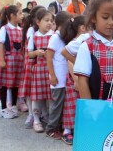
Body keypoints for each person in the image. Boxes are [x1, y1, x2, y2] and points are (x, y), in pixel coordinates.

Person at [73, 0, 113, 101]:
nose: (111, 22)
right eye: (105, 17)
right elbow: (82, 81)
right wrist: (90, 109)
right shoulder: (87, 46)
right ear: (93, 18)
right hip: (97, 108)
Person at [59, 15, 87, 145]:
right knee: (71, 105)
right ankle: (67, 130)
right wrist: (76, 79)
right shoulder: (76, 43)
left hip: (82, 78)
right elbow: (70, 62)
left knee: (79, 104)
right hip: (74, 79)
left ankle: (77, 129)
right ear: (82, 28)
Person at [45, 11, 71, 141]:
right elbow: (49, 57)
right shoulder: (55, 38)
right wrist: (52, 75)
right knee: (56, 104)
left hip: (64, 78)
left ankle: (58, 126)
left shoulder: (63, 37)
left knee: (62, 104)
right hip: (57, 78)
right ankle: (51, 128)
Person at [19, 6, 46, 128]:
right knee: (31, 91)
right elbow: (31, 49)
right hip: (32, 63)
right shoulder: (32, 31)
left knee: (38, 91)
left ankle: (40, 114)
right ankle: (31, 114)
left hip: (39, 63)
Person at [27, 9, 54, 132]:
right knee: (37, 96)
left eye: (51, 21)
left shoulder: (53, 35)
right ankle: (36, 119)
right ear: (38, 22)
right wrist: (37, 52)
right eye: (46, 20)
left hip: (51, 69)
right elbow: (29, 54)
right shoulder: (33, 37)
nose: (49, 23)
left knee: (50, 95)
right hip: (39, 70)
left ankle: (47, 116)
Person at [0, 5, 24, 119]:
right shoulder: (4, 29)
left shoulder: (20, 30)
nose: (22, 16)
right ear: (12, 16)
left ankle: (12, 106)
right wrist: (2, 60)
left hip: (18, 61)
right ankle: (3, 108)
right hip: (8, 60)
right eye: (20, 13)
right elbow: (1, 44)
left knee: (15, 84)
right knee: (4, 84)